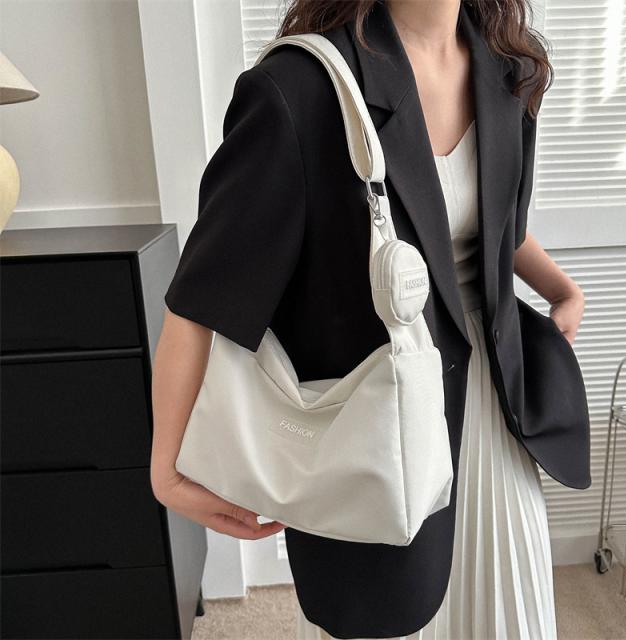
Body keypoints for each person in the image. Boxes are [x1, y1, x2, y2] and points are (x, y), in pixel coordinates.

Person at [151, 1, 586, 638]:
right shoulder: (299, 88)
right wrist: (167, 466)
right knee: (386, 610)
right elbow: (204, 297)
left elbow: (493, 223)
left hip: (493, 412)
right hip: (375, 417)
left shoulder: (511, 69)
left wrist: (563, 289)